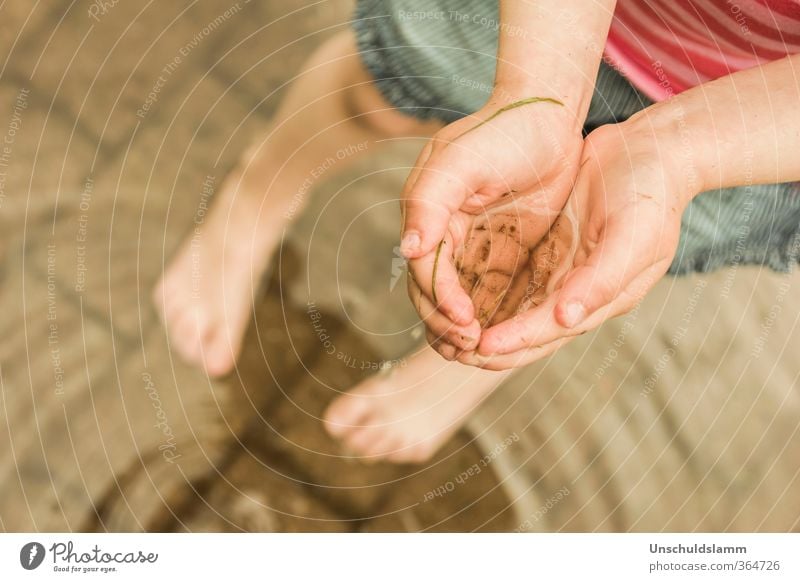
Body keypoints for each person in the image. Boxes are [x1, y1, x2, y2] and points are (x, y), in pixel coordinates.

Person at [154, 0, 800, 463]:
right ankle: (255, 199)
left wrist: (675, 154)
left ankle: (482, 347)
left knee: (598, 247)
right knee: (374, 94)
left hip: (765, 126)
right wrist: (538, 91)